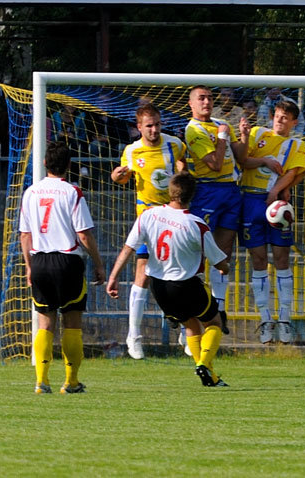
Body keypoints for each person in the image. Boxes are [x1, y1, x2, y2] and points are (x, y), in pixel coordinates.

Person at [107, 171, 231, 387]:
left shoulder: (148, 215)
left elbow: (128, 248)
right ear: (193, 195)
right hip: (186, 284)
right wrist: (225, 267)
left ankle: (210, 377)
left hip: (158, 287)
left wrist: (113, 276)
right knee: (214, 322)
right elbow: (220, 263)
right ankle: (203, 362)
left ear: (170, 192)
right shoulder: (196, 224)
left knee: (191, 326)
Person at [19, 141, 105, 394]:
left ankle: (42, 382)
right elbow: (84, 234)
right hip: (68, 262)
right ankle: (71, 382)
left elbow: (25, 235)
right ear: (69, 165)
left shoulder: (30, 192)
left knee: (45, 324)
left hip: (41, 261)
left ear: (45, 163)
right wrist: (99, 264)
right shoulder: (72, 192)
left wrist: (29, 267)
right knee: (72, 323)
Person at [110, 103, 187, 359]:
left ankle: (185, 328)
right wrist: (116, 176)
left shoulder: (174, 144)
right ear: (139, 126)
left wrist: (181, 171)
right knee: (142, 270)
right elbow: (121, 177)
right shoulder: (132, 151)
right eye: (149, 126)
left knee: (179, 271)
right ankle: (134, 336)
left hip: (172, 213)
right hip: (147, 215)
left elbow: (183, 166)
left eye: (157, 124)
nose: (154, 130)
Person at [185, 85, 251, 337]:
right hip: (208, 191)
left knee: (224, 250)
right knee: (200, 250)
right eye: (201, 98)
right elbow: (213, 164)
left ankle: (219, 307)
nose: (207, 101)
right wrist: (223, 138)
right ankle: (190, 311)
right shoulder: (193, 130)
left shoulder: (223, 123)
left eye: (209, 97)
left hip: (231, 191)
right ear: (191, 104)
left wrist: (243, 136)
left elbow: (241, 158)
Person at [241, 99, 305, 344]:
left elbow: (292, 172)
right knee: (258, 260)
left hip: (277, 203)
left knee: (281, 259)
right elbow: (243, 161)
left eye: (285, 117)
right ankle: (265, 320)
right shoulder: (258, 134)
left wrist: (275, 191)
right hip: (251, 201)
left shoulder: (296, 144)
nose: (280, 120)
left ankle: (285, 320)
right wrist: (264, 161)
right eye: (277, 115)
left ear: (294, 122)